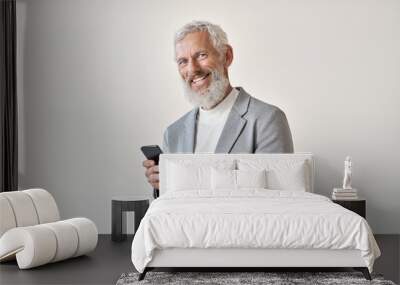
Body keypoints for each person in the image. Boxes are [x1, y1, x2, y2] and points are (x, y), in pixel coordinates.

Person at [143, 21, 294, 190]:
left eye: (201, 55)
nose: (192, 69)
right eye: (182, 61)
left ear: (226, 56)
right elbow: (171, 203)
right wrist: (161, 185)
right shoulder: (173, 134)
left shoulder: (268, 120)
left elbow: (276, 197)